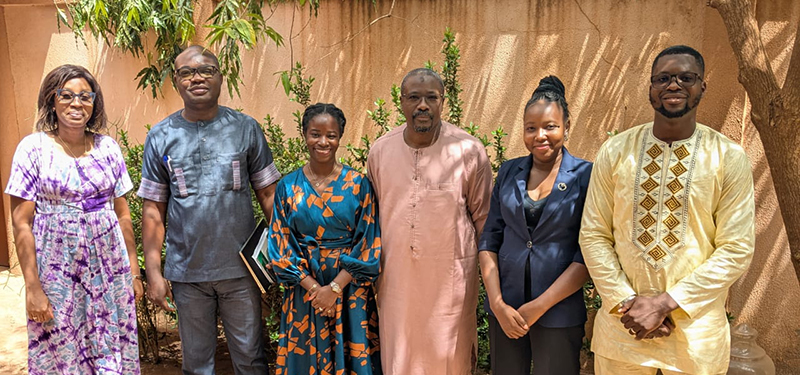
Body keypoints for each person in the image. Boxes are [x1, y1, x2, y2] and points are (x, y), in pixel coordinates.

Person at [579, 45, 755, 375]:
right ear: (650, 88)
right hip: (623, 330)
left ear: (702, 86)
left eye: (685, 77)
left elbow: (736, 248)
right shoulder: (616, 151)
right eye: (663, 78)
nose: (673, 85)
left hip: (695, 337)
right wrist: (626, 303)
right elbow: (594, 234)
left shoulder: (727, 157)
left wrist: (665, 304)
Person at [138, 45, 279, 374]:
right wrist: (155, 272)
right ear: (175, 82)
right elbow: (153, 210)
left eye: (206, 71)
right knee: (197, 364)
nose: (196, 78)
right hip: (188, 276)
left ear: (221, 78)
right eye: (186, 72)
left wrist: (283, 248)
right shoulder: (160, 137)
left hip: (241, 272)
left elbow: (269, 193)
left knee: (250, 359)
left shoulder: (246, 129)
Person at [6, 64, 142, 374]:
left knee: (109, 341)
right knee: (61, 345)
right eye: (66, 95)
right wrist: (33, 288)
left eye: (85, 96)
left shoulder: (108, 148)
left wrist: (133, 271)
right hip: (57, 271)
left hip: (110, 269)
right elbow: (21, 222)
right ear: (52, 100)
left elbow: (122, 213)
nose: (76, 103)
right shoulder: (33, 149)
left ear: (94, 103)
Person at [367, 68, 493, 375]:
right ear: (401, 102)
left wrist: (492, 283)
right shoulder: (381, 151)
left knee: (449, 359)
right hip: (396, 283)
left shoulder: (468, 151)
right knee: (399, 358)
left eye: (431, 98)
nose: (423, 105)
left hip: (450, 286)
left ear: (442, 101)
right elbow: (370, 219)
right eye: (414, 97)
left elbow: (486, 222)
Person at [478, 76, 592, 375]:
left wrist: (540, 305)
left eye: (550, 126)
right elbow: (490, 239)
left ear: (567, 125)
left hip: (558, 313)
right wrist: (498, 303)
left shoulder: (586, 175)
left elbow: (587, 253)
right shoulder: (508, 171)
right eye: (531, 128)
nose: (540, 136)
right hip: (506, 311)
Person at [268, 103, 382, 375]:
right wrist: (315, 289)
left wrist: (333, 288)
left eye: (331, 135)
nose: (323, 141)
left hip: (348, 288)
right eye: (315, 134)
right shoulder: (287, 186)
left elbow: (369, 241)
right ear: (304, 135)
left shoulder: (358, 184)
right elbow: (280, 243)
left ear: (340, 137)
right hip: (303, 289)